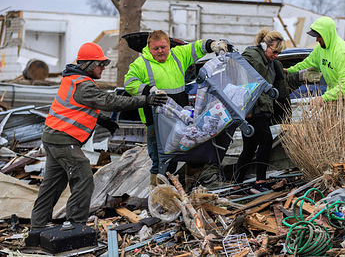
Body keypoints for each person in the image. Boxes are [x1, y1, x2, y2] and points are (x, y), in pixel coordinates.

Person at [30, 42, 167, 230]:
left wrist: (103, 121)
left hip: (53, 138)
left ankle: (37, 227)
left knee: (52, 185)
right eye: (99, 64)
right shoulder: (83, 85)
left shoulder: (73, 80)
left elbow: (78, 109)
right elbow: (110, 101)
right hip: (63, 140)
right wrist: (147, 100)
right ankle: (75, 226)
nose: (103, 68)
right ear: (87, 65)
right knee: (84, 177)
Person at [124, 30, 228, 187]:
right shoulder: (140, 64)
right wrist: (148, 90)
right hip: (155, 122)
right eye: (156, 48)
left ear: (168, 45)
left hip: (180, 119)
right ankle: (159, 196)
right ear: (149, 47)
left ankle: (188, 191)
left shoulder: (178, 55)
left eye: (163, 47)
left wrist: (212, 45)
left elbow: (196, 47)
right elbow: (129, 83)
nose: (160, 51)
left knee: (193, 154)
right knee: (161, 161)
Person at [233, 28, 289, 194]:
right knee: (265, 142)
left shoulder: (269, 62)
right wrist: (247, 109)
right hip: (254, 109)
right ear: (265, 46)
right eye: (274, 51)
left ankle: (237, 184)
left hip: (262, 107)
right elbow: (242, 83)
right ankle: (259, 182)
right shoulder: (252, 58)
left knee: (250, 147)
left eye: (279, 53)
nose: (276, 55)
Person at [285, 16, 345, 106]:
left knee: (344, 120)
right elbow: (307, 64)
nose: (316, 40)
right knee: (327, 118)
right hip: (336, 94)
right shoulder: (320, 49)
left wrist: (323, 98)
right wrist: (289, 70)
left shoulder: (343, 53)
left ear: (327, 34)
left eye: (319, 36)